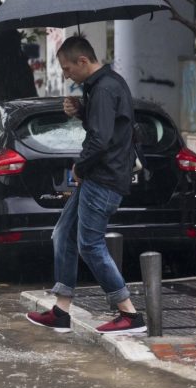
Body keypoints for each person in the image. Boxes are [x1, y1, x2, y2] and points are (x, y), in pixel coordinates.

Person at [26, 36, 146, 335]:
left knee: (90, 245)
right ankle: (62, 310)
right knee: (63, 233)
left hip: (103, 178)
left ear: (83, 61)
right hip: (99, 177)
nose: (66, 75)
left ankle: (129, 314)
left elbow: (101, 140)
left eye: (67, 68)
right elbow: (109, 126)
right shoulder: (101, 87)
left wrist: (79, 166)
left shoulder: (104, 88)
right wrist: (81, 110)